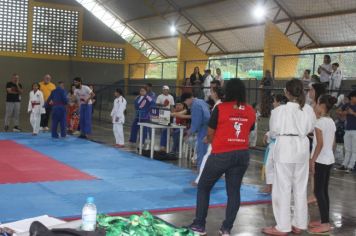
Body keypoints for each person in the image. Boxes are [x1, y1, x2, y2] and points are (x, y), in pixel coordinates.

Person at [188, 79, 256, 236]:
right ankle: (226, 228)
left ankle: (199, 224)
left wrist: (216, 138)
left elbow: (210, 133)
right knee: (234, 192)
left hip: (222, 154)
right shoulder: (250, 110)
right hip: (241, 155)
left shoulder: (221, 108)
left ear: (227, 91)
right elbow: (249, 128)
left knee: (204, 186)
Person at [262, 79, 316, 235]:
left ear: (286, 92)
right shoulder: (308, 110)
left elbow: (273, 132)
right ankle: (299, 223)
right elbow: (311, 128)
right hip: (302, 147)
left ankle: (283, 226)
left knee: (282, 188)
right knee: (300, 187)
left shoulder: (279, 111)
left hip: (285, 147)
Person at [308, 94, 337, 234]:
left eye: (318, 104)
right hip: (329, 159)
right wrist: (329, 154)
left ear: (322, 106)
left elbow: (320, 144)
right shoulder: (331, 121)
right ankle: (325, 220)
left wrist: (312, 160)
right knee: (324, 191)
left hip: (320, 160)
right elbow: (333, 143)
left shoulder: (319, 123)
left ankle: (325, 223)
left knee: (319, 191)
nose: (316, 107)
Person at [194, 86, 224, 185]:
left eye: (211, 91)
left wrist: (208, 137)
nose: (209, 93)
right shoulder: (221, 104)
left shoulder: (219, 105)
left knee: (207, 156)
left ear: (215, 93)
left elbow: (213, 124)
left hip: (217, 136)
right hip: (222, 135)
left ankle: (199, 180)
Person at [260, 94, 288, 194]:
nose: (273, 103)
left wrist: (269, 135)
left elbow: (274, 130)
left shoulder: (276, 112)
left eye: (274, 101)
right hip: (285, 142)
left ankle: (270, 188)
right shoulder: (288, 111)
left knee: (270, 165)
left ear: (279, 102)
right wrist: (268, 134)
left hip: (277, 142)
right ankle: (277, 187)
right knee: (280, 166)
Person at [181, 92, 210, 169]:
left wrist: (188, 133)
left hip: (204, 129)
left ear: (188, 99)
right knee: (206, 151)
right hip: (208, 128)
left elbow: (196, 123)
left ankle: (200, 170)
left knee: (202, 150)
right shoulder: (201, 101)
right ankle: (203, 169)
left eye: (185, 102)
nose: (186, 105)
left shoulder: (195, 105)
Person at [337, 90, 356, 173]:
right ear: (352, 97)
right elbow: (338, 111)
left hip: (355, 130)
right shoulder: (347, 105)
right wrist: (344, 112)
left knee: (354, 150)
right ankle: (344, 165)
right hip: (347, 129)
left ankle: (351, 166)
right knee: (347, 149)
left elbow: (351, 113)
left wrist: (352, 113)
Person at [156, 85, 175, 150]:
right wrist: (163, 105)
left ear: (168, 90)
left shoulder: (171, 97)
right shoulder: (160, 96)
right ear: (162, 90)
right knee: (163, 129)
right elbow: (157, 104)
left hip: (169, 114)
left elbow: (172, 106)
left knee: (168, 129)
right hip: (162, 113)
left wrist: (172, 113)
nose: (165, 91)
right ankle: (163, 144)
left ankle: (166, 143)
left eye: (166, 90)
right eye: (164, 90)